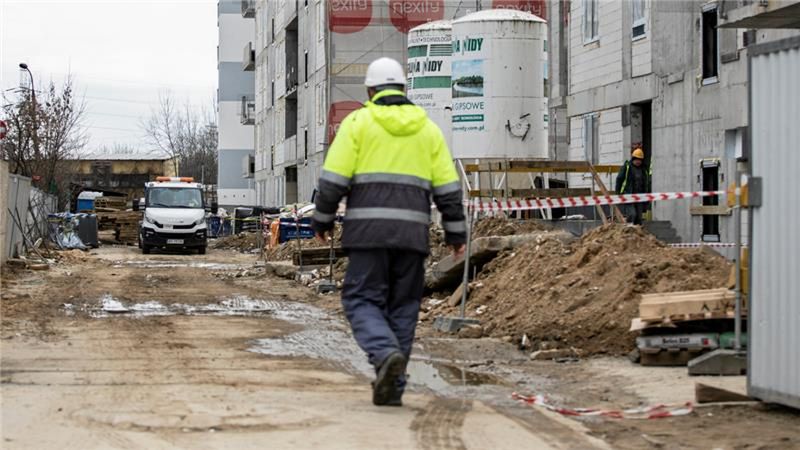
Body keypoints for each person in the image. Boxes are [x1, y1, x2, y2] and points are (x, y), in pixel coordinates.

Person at [311, 57, 466, 407]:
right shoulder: (428, 130)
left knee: (361, 299)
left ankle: (384, 355)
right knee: (404, 306)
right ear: (402, 89)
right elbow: (448, 191)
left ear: (370, 90)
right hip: (412, 238)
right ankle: (393, 385)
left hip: (367, 235)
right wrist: (457, 235)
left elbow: (333, 180)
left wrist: (320, 220)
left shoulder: (358, 123)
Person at [615, 147, 651, 225]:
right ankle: (628, 229)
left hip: (640, 197)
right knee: (632, 214)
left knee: (639, 218)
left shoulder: (644, 170)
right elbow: (619, 179)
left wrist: (647, 197)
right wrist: (618, 193)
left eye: (640, 160)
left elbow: (647, 183)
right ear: (633, 159)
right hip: (628, 195)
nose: (638, 161)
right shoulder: (627, 167)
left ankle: (637, 234)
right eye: (637, 159)